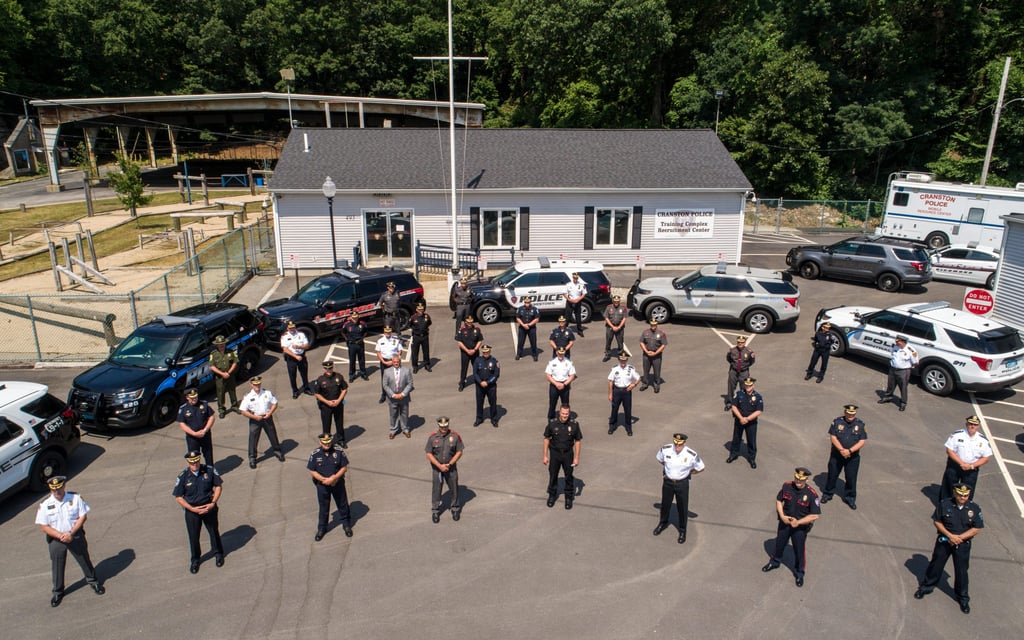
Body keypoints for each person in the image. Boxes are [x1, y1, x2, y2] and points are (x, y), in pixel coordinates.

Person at [914, 483, 984, 614]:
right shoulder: (945, 504)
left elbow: (977, 528)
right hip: (945, 541)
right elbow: (937, 521)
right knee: (936, 565)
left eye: (966, 495)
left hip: (962, 544)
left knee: (962, 571)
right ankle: (926, 587)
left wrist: (959, 538)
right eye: (960, 495)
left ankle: (963, 598)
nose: (963, 497)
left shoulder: (974, 508)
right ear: (955, 493)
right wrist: (950, 536)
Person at [35, 476, 104, 607]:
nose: (57, 492)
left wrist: (70, 533)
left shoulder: (75, 498)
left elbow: (83, 516)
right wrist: (60, 535)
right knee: (57, 565)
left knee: (84, 559)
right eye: (53, 490)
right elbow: (44, 526)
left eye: (59, 488)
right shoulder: (45, 505)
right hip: (57, 539)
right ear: (50, 490)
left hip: (74, 535)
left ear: (64, 486)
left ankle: (93, 581)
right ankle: (58, 592)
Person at [762, 467, 821, 588]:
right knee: (779, 544)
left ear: (807, 480)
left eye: (801, 480)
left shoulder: (811, 494)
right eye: (797, 479)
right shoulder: (787, 486)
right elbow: (779, 500)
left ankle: (799, 573)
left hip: (799, 528)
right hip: (785, 522)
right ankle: (775, 562)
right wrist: (782, 516)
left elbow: (815, 515)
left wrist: (798, 522)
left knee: (799, 550)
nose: (798, 482)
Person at [172, 450, 224, 574]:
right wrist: (191, 509)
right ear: (188, 463)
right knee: (194, 536)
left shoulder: (209, 470)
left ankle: (218, 553)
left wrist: (213, 503)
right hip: (192, 511)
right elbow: (178, 497)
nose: (194, 465)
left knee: (213, 532)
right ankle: (195, 559)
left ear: (199, 460)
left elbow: (218, 486)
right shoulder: (183, 476)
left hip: (208, 507)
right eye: (192, 463)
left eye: (196, 462)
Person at [653, 433, 705, 544]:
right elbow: (660, 459)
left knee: (682, 507)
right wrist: (669, 470)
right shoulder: (666, 449)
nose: (677, 447)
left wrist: (688, 473)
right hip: (668, 482)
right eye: (675, 444)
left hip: (682, 484)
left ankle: (682, 530)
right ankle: (662, 523)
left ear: (684, 443)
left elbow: (701, 467)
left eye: (680, 445)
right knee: (665, 505)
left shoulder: (691, 454)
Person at [307, 433, 353, 541]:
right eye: (324, 443)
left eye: (328, 443)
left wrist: (334, 478)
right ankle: (322, 528)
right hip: (322, 486)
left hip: (337, 483)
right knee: (323, 507)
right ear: (320, 442)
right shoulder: (315, 454)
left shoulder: (338, 451)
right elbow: (312, 471)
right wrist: (324, 480)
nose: (327, 445)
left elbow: (344, 467)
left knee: (342, 504)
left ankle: (346, 524)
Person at [821, 404, 867, 509]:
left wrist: (849, 451)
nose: (851, 416)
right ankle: (827, 494)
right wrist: (842, 450)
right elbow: (833, 437)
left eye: (853, 414)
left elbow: (862, 441)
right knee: (832, 475)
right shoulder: (837, 422)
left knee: (851, 477)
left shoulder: (860, 424)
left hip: (852, 457)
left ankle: (850, 498)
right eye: (849, 414)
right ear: (845, 412)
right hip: (837, 455)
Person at [939, 416, 992, 503]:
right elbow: (949, 450)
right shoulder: (957, 435)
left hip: (971, 469)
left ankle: (964, 508)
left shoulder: (983, 440)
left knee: (967, 492)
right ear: (966, 424)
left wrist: (971, 466)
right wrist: (961, 463)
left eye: (975, 425)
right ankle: (944, 506)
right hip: (955, 466)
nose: (972, 426)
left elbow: (986, 458)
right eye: (970, 424)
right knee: (948, 488)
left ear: (978, 426)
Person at [238, 376, 284, 468]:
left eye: (258, 384)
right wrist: (254, 417)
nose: (257, 386)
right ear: (251, 385)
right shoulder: (248, 397)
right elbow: (243, 411)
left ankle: (277, 451)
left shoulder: (267, 393)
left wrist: (270, 413)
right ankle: (252, 458)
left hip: (267, 417)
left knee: (272, 435)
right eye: (255, 385)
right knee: (253, 438)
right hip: (255, 419)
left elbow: (275, 403)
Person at [543, 404, 582, 509]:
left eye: (567, 414)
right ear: (559, 413)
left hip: (568, 454)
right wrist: (545, 455)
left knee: (569, 476)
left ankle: (568, 497)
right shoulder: (552, 423)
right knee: (553, 475)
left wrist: (576, 457)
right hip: (555, 454)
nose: (565, 416)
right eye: (563, 413)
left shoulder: (574, 424)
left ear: (569, 413)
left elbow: (577, 441)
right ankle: (552, 495)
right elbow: (546, 439)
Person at [426, 416, 465, 522]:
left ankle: (455, 508)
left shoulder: (455, 436)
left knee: (454, 488)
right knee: (436, 489)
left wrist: (450, 464)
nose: (444, 428)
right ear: (438, 426)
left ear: (448, 425)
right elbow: (429, 453)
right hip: (437, 468)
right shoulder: (432, 437)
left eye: (446, 426)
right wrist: (439, 466)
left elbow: (459, 451)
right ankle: (435, 510)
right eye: (442, 427)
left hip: (450, 468)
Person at [727, 377, 763, 469]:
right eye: (746, 385)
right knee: (736, 438)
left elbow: (759, 411)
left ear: (753, 385)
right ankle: (733, 454)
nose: (748, 387)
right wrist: (741, 418)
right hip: (739, 420)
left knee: (751, 441)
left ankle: (752, 458)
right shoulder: (739, 394)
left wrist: (747, 419)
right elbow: (734, 407)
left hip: (751, 422)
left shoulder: (758, 396)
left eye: (750, 385)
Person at [312, 360, 348, 448]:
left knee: (339, 423)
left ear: (332, 367)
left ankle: (341, 440)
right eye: (327, 369)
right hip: (326, 406)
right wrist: (327, 402)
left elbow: (344, 389)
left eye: (330, 368)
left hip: (338, 404)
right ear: (324, 369)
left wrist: (339, 400)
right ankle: (327, 443)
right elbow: (317, 394)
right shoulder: (320, 380)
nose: (329, 370)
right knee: (326, 425)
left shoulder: (338, 377)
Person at [877, 335, 918, 411]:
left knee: (903, 387)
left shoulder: (911, 350)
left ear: (903, 342)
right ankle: (888, 397)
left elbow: (915, 362)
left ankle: (903, 403)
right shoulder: (895, 347)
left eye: (897, 341)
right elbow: (893, 356)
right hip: (893, 369)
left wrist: (906, 366)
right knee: (890, 385)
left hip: (903, 371)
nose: (896, 343)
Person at [177, 388, 216, 466]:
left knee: (208, 454)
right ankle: (197, 471)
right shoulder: (183, 408)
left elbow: (211, 417)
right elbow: (182, 424)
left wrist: (205, 430)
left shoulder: (204, 404)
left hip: (205, 435)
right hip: (192, 438)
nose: (194, 399)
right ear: (187, 397)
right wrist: (194, 433)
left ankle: (210, 470)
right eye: (192, 398)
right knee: (193, 457)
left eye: (195, 397)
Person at [608, 353, 641, 436]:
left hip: (626, 391)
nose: (623, 362)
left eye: (624, 360)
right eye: (621, 360)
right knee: (614, 409)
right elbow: (611, 381)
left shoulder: (631, 369)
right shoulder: (614, 369)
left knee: (628, 409)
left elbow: (638, 378)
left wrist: (634, 384)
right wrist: (610, 393)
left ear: (627, 360)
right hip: (617, 390)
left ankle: (628, 427)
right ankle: (612, 426)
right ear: (619, 360)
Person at [383, 353, 414, 439]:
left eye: (397, 362)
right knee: (393, 415)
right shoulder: (387, 372)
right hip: (392, 398)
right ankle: (393, 430)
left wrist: (403, 394)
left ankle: (405, 429)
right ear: (392, 362)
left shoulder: (406, 370)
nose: (396, 363)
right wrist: (393, 395)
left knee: (404, 414)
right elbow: (385, 385)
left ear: (400, 361)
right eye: (394, 362)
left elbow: (410, 384)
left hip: (404, 397)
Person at [208, 334, 239, 418]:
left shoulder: (230, 351)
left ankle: (235, 406)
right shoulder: (213, 354)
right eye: (219, 344)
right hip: (220, 377)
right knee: (220, 393)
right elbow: (212, 366)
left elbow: (235, 362)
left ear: (225, 343)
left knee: (232, 391)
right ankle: (221, 410)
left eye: (222, 344)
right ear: (216, 345)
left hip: (230, 375)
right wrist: (222, 374)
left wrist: (228, 373)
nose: (221, 345)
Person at [472, 344, 501, 427]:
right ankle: (479, 418)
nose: (485, 353)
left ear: (490, 351)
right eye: (484, 352)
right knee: (479, 402)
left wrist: (487, 382)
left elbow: (496, 375)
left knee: (493, 402)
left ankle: (494, 419)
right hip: (479, 386)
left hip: (491, 386)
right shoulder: (477, 360)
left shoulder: (494, 361)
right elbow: (475, 373)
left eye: (487, 352)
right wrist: (480, 382)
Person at [280, 321, 310, 399]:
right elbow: (285, 349)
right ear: (287, 328)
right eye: (290, 328)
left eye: (293, 327)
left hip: (301, 356)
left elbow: (307, 346)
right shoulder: (284, 336)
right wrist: (295, 356)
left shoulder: (301, 334)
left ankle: (306, 388)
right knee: (292, 375)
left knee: (304, 374)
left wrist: (299, 347)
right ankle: (295, 391)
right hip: (291, 358)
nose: (292, 329)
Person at [544, 348, 576, 421]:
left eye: (562, 353)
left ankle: (566, 419)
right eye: (559, 353)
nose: (561, 355)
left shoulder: (569, 363)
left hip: (565, 385)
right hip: (554, 385)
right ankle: (551, 419)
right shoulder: (552, 362)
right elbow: (548, 375)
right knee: (552, 403)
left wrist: (564, 384)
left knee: (565, 404)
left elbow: (572, 375)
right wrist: (556, 383)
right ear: (556, 353)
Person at [725, 335, 755, 410]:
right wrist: (734, 365)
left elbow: (752, 361)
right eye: (739, 342)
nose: (740, 343)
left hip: (744, 372)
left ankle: (744, 403)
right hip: (733, 371)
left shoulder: (749, 352)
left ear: (745, 343)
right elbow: (728, 359)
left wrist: (744, 367)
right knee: (731, 387)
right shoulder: (732, 350)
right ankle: (729, 402)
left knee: (744, 388)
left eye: (742, 342)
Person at [375, 325, 403, 403]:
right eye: (386, 332)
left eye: (389, 332)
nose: (388, 333)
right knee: (384, 379)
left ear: (391, 332)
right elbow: (378, 352)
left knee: (396, 378)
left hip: (394, 361)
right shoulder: (380, 341)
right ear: (384, 332)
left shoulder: (396, 340)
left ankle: (395, 394)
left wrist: (394, 361)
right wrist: (383, 361)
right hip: (384, 362)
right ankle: (384, 394)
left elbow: (400, 351)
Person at [455, 315, 483, 392]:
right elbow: (459, 342)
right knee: (464, 368)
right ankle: (462, 383)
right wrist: (467, 350)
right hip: (465, 353)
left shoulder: (477, 329)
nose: (470, 323)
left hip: (475, 352)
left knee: (477, 367)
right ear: (465, 322)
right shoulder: (461, 330)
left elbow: (480, 340)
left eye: (471, 322)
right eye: (468, 322)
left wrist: (475, 349)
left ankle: (479, 381)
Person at [639, 320, 668, 393]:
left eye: (654, 325)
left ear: (657, 324)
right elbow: (641, 342)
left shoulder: (661, 333)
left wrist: (655, 353)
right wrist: (646, 351)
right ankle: (645, 384)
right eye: (652, 325)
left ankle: (656, 385)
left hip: (657, 355)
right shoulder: (645, 332)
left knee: (657, 371)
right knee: (645, 370)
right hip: (646, 354)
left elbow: (663, 345)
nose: (653, 326)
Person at [341, 311, 369, 381]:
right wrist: (347, 339)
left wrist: (362, 338)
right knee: (352, 360)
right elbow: (343, 332)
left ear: (358, 316)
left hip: (360, 344)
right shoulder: (347, 325)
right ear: (350, 317)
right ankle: (352, 375)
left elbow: (365, 332)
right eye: (353, 318)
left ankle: (363, 373)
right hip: (352, 345)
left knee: (361, 360)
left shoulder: (362, 324)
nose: (355, 319)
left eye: (356, 317)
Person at [515, 296, 541, 361]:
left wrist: (529, 324)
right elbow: (518, 318)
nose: (527, 304)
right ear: (524, 302)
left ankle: (534, 355)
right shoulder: (520, 309)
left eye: (528, 302)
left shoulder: (534, 309)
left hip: (531, 328)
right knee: (520, 342)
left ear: (530, 302)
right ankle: (519, 354)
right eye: (526, 302)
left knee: (533, 342)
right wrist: (523, 325)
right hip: (522, 328)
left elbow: (537, 319)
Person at [409, 302, 433, 372]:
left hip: (425, 336)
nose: (421, 311)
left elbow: (429, 323)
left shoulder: (427, 316)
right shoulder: (413, 317)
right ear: (416, 310)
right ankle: (415, 366)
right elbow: (410, 325)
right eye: (419, 309)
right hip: (416, 337)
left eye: (422, 309)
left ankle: (427, 364)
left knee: (426, 351)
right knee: (415, 352)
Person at [603, 295, 627, 362]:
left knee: (620, 341)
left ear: (619, 301)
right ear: (613, 301)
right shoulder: (609, 307)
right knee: (608, 341)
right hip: (610, 327)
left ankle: (620, 354)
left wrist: (619, 327)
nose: (616, 302)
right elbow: (606, 318)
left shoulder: (623, 308)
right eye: (615, 301)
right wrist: (612, 326)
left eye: (617, 301)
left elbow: (624, 318)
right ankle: (607, 354)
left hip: (620, 327)